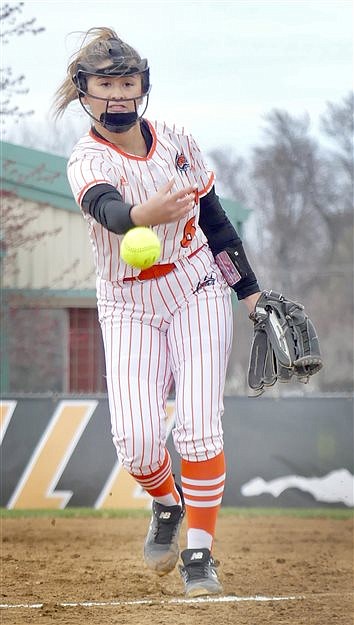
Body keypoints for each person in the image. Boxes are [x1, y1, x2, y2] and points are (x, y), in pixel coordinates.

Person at [54, 27, 261, 598]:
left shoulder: (176, 139)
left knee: (197, 425)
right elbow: (112, 212)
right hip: (127, 302)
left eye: (128, 83)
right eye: (106, 84)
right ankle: (165, 504)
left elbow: (215, 221)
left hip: (196, 288)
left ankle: (200, 554)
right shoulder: (85, 157)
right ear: (83, 92)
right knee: (139, 441)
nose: (118, 95)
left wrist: (250, 292)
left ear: (143, 88)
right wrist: (152, 211)